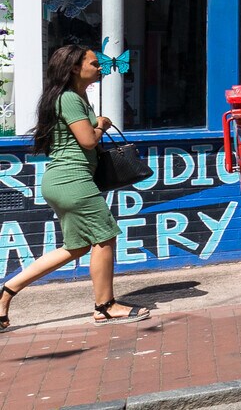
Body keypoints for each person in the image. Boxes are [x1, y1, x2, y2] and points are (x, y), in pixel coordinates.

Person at [0, 46, 152, 331]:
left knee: (77, 246)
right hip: (72, 180)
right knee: (105, 237)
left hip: (63, 181)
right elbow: (88, 141)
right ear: (74, 68)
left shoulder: (76, 97)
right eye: (95, 63)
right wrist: (102, 125)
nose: (100, 67)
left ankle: (6, 292)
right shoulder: (69, 98)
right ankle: (105, 307)